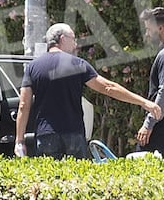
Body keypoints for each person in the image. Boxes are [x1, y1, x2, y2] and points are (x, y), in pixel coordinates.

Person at [14, 23, 161, 159]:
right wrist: (144, 102)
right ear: (62, 39)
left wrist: (19, 141)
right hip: (73, 133)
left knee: (50, 182)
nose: (76, 44)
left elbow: (23, 105)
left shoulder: (33, 67)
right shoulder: (76, 63)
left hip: (45, 134)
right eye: (73, 39)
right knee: (77, 182)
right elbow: (108, 88)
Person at [137, 7, 164, 152]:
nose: (147, 34)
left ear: (160, 28)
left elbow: (163, 91)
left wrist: (148, 124)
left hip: (159, 127)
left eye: (149, 29)